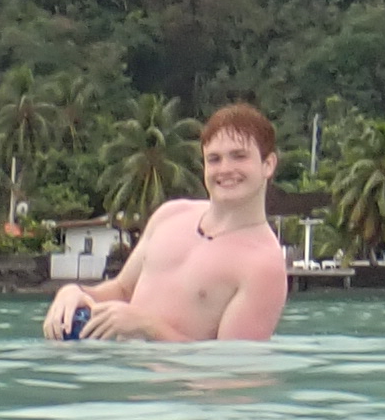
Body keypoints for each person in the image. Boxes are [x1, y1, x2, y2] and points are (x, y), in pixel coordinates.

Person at [44, 102, 292, 343]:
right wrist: (76, 293)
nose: (225, 169)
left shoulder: (263, 266)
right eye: (214, 159)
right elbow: (121, 290)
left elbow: (231, 369)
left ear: (268, 164)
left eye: (239, 157)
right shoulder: (170, 215)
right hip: (122, 374)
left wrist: (148, 327)